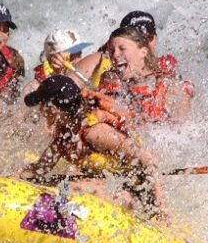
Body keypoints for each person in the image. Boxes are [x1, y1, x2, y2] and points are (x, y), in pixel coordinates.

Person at [18, 75, 162, 216]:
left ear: (53, 108)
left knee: (72, 187)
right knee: (59, 182)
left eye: (42, 105)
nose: (40, 110)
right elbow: (39, 170)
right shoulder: (65, 135)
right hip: (104, 185)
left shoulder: (95, 132)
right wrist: (15, 176)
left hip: (134, 194)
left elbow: (149, 160)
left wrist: (161, 209)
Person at [75, 26, 193, 124]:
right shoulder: (110, 80)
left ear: (143, 52)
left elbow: (180, 130)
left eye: (122, 48)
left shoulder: (167, 85)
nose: (115, 55)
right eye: (111, 50)